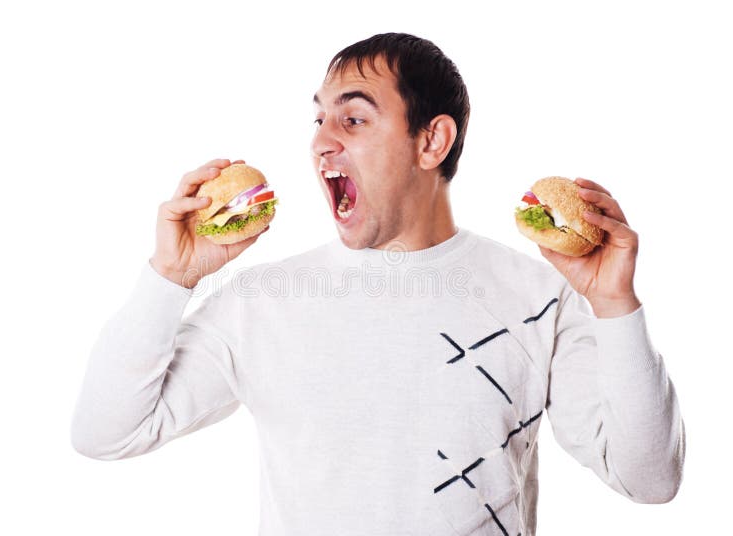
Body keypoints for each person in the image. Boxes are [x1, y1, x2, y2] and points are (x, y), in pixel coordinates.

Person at [71, 33, 685, 535]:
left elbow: (651, 480)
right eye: (319, 118)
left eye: (354, 118)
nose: (320, 140)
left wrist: (615, 307)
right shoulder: (261, 301)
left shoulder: (541, 297)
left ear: (431, 141)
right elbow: (106, 432)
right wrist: (170, 278)